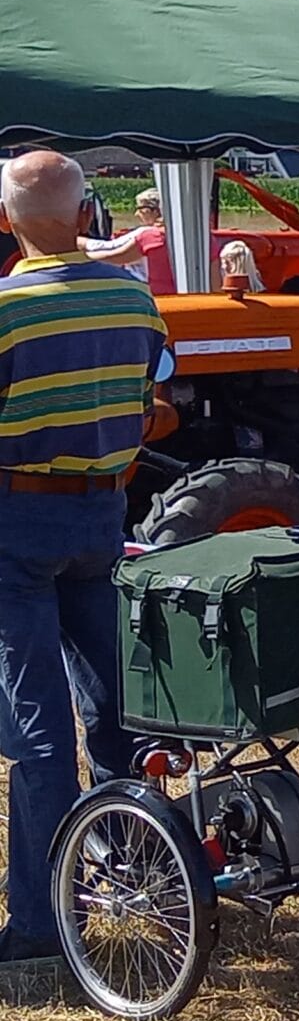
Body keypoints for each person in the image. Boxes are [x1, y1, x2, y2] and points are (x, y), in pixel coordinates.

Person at [0, 151, 163, 965]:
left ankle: (39, 921)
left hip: (16, 518)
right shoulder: (136, 298)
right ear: (86, 216)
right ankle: (132, 862)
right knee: (113, 703)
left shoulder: (5, 310)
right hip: (100, 513)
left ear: (7, 223)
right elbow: (149, 408)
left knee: (36, 727)